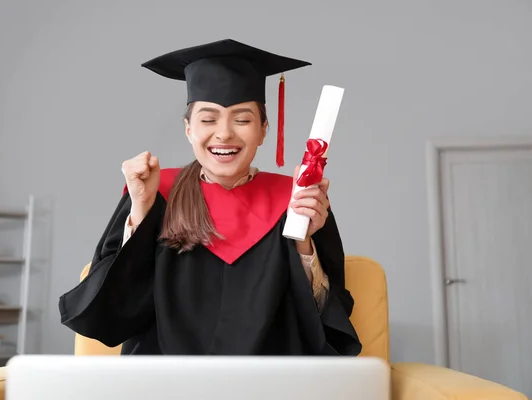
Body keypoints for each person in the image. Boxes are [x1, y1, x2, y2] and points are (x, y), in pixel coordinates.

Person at [58, 39, 362, 356]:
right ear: (188, 129)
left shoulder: (297, 199)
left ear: (263, 130)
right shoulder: (156, 191)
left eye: (242, 119)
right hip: (167, 378)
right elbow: (112, 305)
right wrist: (141, 211)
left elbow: (326, 318)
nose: (224, 134)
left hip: (269, 377)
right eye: (208, 119)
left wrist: (304, 242)